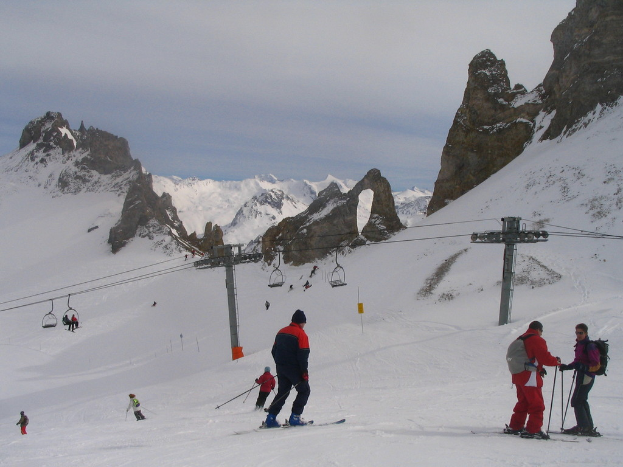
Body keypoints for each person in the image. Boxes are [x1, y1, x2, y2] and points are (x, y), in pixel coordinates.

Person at [505, 321, 560, 439]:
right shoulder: (535, 339)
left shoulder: (521, 338)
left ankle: (515, 426)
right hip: (529, 376)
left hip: (517, 375)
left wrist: (539, 368)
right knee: (537, 404)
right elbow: (545, 357)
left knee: (523, 402)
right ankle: (533, 429)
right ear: (539, 329)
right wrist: (556, 361)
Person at [264, 309, 310, 427]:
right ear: (301, 322)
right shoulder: (301, 334)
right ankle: (295, 417)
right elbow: (303, 354)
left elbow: (274, 351)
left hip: (281, 367)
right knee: (304, 390)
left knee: (283, 392)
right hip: (294, 368)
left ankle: (271, 418)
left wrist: (280, 364)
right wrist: (304, 371)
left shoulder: (281, 332)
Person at [559, 323, 601, 436]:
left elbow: (596, 365)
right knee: (581, 399)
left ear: (586, 333)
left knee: (577, 400)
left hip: (587, 376)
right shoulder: (580, 345)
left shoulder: (590, 346)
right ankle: (587, 426)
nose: (578, 335)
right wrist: (568, 367)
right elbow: (578, 361)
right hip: (582, 375)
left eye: (581, 333)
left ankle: (583, 426)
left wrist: (583, 367)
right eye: (577, 333)